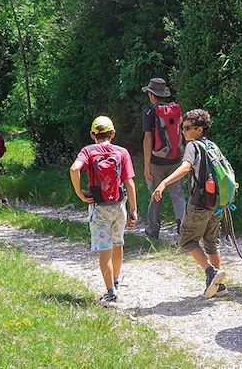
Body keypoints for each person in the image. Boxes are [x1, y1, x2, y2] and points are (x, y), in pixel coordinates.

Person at [153, 109, 228, 298]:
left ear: (200, 130)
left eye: (187, 128)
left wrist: (163, 182)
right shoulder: (213, 146)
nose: (183, 132)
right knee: (211, 242)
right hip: (217, 204)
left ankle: (211, 273)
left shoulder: (193, 147)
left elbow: (186, 167)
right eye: (182, 127)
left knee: (185, 240)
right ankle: (219, 286)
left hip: (200, 202)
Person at [69, 116, 138, 307]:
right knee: (118, 244)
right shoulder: (122, 152)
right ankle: (115, 282)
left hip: (99, 207)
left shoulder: (88, 151)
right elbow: (129, 182)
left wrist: (80, 194)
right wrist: (133, 209)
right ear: (113, 134)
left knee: (104, 249)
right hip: (119, 206)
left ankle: (110, 292)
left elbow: (75, 169)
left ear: (92, 134)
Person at [141, 77, 186, 239]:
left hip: (156, 162)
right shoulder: (176, 110)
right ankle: (184, 231)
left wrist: (146, 165)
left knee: (155, 194)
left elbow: (148, 139)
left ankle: (153, 231)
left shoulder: (150, 112)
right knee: (178, 195)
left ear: (151, 95)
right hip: (176, 160)